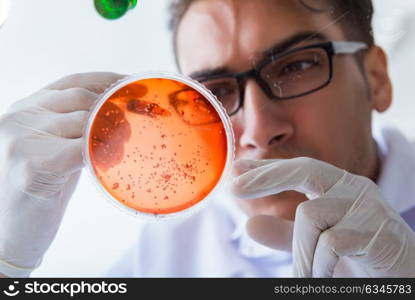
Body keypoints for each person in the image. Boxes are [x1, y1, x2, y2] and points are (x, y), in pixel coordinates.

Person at [0, 0, 414, 278]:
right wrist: (9, 264)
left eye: (297, 65)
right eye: (214, 94)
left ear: (375, 78)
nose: (259, 130)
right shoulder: (163, 261)